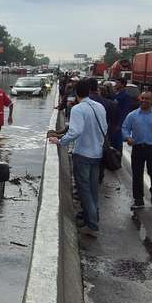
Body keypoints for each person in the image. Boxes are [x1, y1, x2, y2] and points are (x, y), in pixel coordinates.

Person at [49, 80, 106, 237]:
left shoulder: (78, 109)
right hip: (97, 154)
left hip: (83, 154)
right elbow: (105, 128)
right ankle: (92, 218)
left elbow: (75, 132)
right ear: (89, 92)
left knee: (84, 190)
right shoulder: (99, 107)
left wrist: (59, 141)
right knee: (93, 188)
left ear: (76, 93)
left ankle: (92, 225)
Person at [121, 91, 152, 209]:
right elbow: (125, 128)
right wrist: (127, 137)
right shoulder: (132, 115)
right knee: (137, 174)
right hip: (138, 148)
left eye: (146, 99)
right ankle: (138, 199)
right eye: (142, 98)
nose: (143, 100)